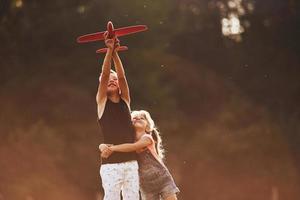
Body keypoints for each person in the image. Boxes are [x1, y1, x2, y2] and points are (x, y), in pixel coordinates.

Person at [100, 110, 180, 200]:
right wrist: (102, 146)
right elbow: (119, 145)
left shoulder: (147, 138)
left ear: (147, 126)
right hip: (146, 186)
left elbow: (133, 147)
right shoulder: (128, 143)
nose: (138, 119)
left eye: (142, 118)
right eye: (134, 118)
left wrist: (112, 148)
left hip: (162, 180)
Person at [97, 32, 139, 200]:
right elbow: (105, 74)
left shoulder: (125, 100)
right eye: (108, 80)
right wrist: (108, 50)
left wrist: (115, 52)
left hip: (131, 162)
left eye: (114, 80)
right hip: (110, 164)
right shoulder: (101, 102)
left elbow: (122, 76)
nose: (112, 80)